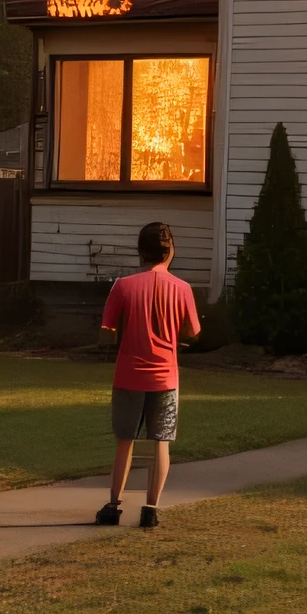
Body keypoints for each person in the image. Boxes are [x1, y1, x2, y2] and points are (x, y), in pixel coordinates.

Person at [95, 221, 199, 526]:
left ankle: (113, 505)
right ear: (170, 251)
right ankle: (150, 508)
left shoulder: (123, 286)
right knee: (161, 442)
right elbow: (193, 331)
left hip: (128, 375)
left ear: (141, 251)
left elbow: (106, 332)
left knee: (124, 440)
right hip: (165, 377)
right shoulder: (182, 288)